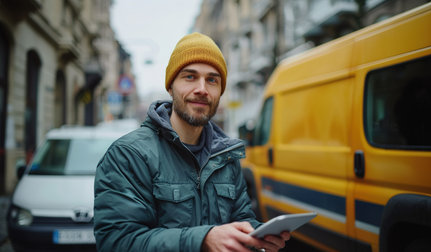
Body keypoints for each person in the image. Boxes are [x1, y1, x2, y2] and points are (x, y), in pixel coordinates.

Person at [93, 32, 290, 252]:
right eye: (190, 77)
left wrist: (256, 234)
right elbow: (118, 242)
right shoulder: (129, 154)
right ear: (170, 87)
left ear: (220, 91)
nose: (202, 89)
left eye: (212, 80)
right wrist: (202, 240)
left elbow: (240, 217)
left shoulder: (226, 156)